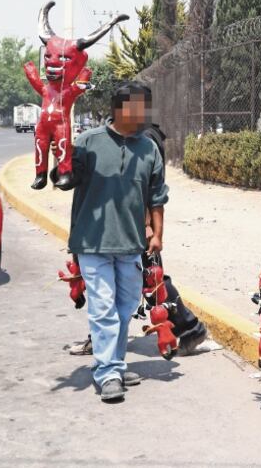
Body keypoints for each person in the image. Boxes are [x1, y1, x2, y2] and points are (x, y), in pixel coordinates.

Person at [63, 81, 169, 402]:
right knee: (103, 307)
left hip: (131, 243)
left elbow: (156, 195)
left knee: (124, 308)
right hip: (92, 242)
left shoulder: (149, 148)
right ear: (118, 109)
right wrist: (59, 159)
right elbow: (66, 179)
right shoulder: (88, 141)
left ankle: (116, 363)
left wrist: (158, 234)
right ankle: (107, 372)